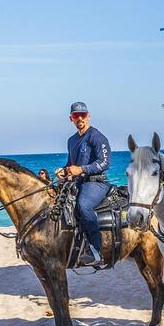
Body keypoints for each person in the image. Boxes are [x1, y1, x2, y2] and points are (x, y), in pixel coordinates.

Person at [55, 102, 111, 267]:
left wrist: (81, 169)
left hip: (97, 183)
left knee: (83, 206)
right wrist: (64, 171)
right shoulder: (71, 141)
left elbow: (105, 163)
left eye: (83, 115)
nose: (79, 118)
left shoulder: (96, 136)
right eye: (75, 116)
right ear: (70, 118)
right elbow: (70, 164)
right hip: (78, 183)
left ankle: (96, 251)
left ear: (88, 116)